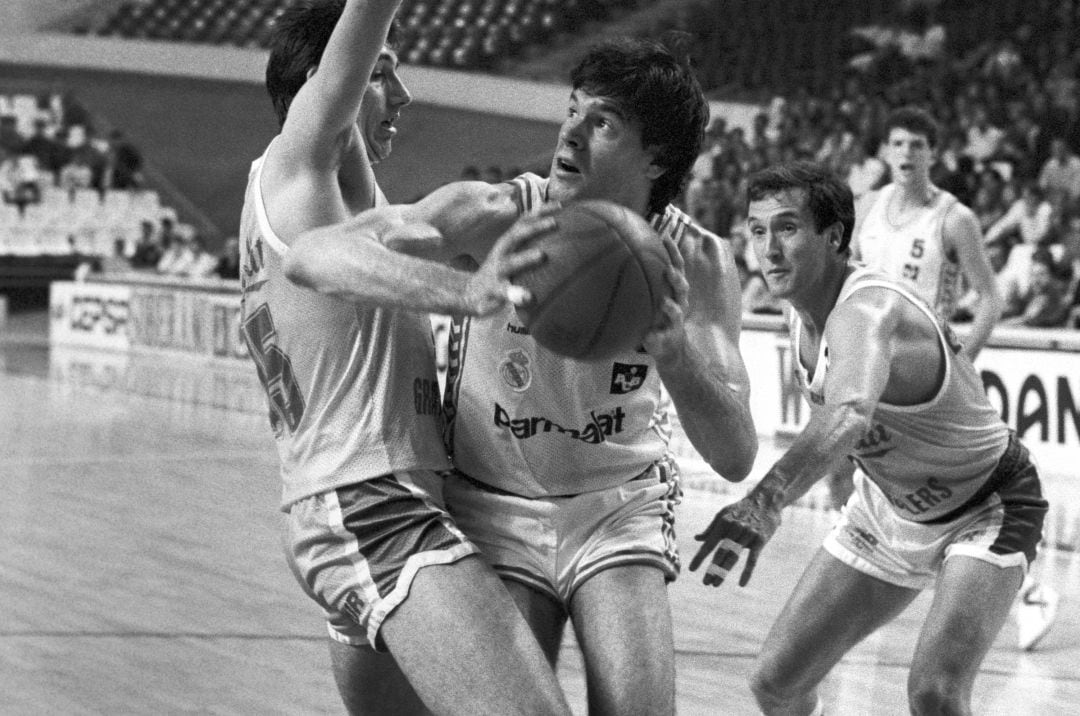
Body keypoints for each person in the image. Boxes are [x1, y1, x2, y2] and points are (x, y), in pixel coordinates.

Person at [287, 35, 759, 715]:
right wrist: (466, 291)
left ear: (655, 157)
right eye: (574, 109)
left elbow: (736, 453)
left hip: (614, 507)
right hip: (492, 503)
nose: (570, 129)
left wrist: (678, 353)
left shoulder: (699, 262)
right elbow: (312, 258)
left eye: (602, 122)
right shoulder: (501, 213)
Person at [238, 2, 570, 714]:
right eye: (383, 74)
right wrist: (471, 291)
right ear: (327, 86)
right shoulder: (297, 170)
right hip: (374, 506)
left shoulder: (339, 205)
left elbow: (429, 219)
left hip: (361, 502)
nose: (406, 95)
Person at [691, 161, 1048, 716]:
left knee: (934, 692)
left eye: (787, 228)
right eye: (757, 230)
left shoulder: (866, 309)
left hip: (986, 504)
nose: (768, 249)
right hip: (886, 512)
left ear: (834, 236)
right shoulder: (799, 313)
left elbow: (851, 412)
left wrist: (765, 500)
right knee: (775, 685)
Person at [852, 106, 1002, 362]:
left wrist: (963, 362)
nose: (906, 152)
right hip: (867, 357)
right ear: (886, 152)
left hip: (923, 362)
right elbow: (845, 277)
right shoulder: (868, 205)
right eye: (898, 144)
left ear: (932, 155)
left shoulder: (955, 218)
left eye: (917, 145)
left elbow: (990, 297)